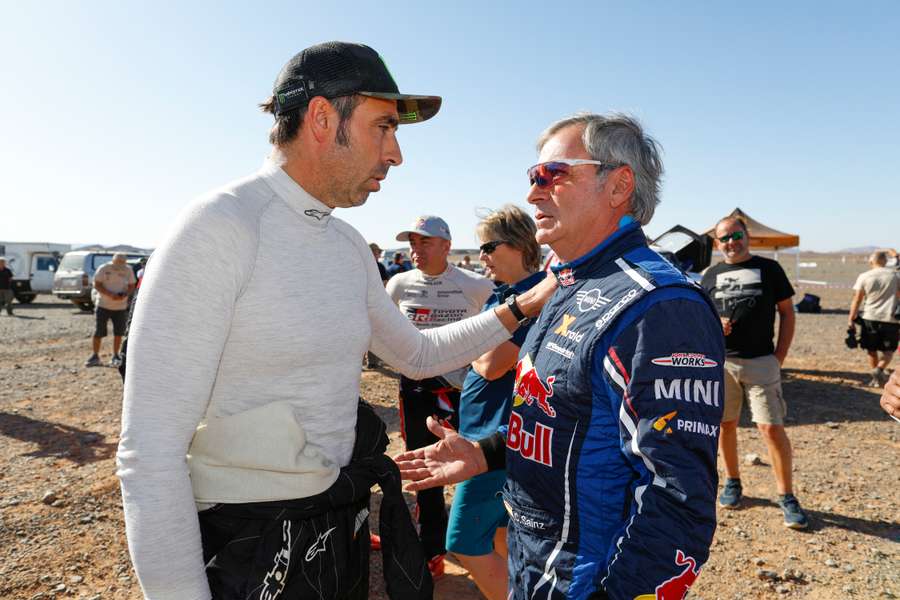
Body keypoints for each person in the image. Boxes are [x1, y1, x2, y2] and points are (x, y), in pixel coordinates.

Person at [116, 41, 552, 600]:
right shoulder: (220, 227)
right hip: (246, 538)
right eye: (383, 127)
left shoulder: (345, 244)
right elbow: (150, 452)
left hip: (336, 524)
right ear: (322, 118)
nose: (396, 154)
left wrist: (524, 303)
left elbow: (417, 354)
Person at [397, 113, 725, 599]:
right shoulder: (567, 283)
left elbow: (677, 499)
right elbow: (566, 415)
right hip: (534, 565)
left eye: (553, 174)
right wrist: (485, 453)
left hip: (587, 580)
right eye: (533, 176)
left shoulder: (660, 305)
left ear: (619, 185)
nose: (533, 193)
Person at [385, 214, 495, 576]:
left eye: (425, 242)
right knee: (424, 464)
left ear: (447, 246)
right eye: (412, 243)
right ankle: (432, 545)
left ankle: (484, 540)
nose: (416, 250)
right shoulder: (399, 284)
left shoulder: (476, 285)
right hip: (416, 388)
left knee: (478, 462)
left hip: (464, 390)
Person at [445, 205, 544, 600]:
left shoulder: (535, 298)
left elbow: (489, 365)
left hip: (497, 440)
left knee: (463, 541)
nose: (481, 256)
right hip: (489, 435)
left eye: (489, 246)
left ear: (519, 245)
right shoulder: (505, 296)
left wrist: (467, 346)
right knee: (502, 536)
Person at [701, 216, 808, 529]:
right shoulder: (710, 275)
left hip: (762, 361)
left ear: (747, 236)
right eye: (724, 238)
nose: (731, 242)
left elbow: (787, 313)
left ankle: (786, 495)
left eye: (736, 235)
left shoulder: (769, 269)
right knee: (726, 424)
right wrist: (714, 325)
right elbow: (700, 316)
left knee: (770, 427)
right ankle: (732, 481)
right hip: (722, 363)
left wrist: (780, 356)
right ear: (717, 243)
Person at [848, 250, 899, 386]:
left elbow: (857, 299)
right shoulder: (895, 276)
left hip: (869, 318)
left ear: (871, 261)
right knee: (889, 350)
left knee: (871, 349)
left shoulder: (864, 276)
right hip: (890, 319)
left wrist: (851, 318)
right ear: (885, 262)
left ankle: (876, 377)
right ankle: (879, 370)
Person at [85, 253, 136, 367]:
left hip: (120, 307)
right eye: (117, 263)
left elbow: (132, 285)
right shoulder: (104, 268)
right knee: (98, 331)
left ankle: (115, 355)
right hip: (103, 304)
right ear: (113, 261)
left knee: (119, 332)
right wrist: (110, 294)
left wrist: (125, 294)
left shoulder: (128, 270)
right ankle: (95, 355)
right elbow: (97, 284)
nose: (119, 266)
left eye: (122, 264)